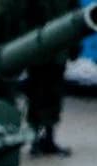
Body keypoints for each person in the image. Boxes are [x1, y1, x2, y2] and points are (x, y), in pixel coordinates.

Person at [20, 0, 78, 156]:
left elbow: (75, 17)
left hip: (58, 52)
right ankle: (35, 140)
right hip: (38, 51)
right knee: (37, 96)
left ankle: (49, 139)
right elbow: (22, 18)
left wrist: (74, 47)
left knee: (54, 95)